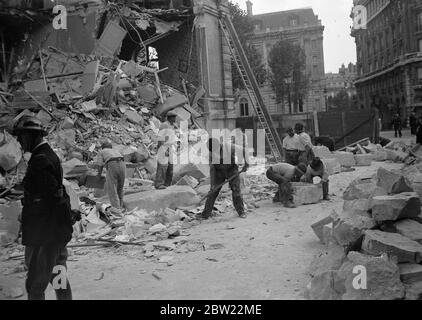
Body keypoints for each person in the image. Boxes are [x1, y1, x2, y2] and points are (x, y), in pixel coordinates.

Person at [12, 116, 73, 300]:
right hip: (56, 231)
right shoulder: (48, 155)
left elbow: (50, 198)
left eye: (21, 137)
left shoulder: (40, 160)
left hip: (46, 234)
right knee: (58, 274)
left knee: (35, 284)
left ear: (32, 136)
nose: (19, 142)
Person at [199, 137, 249, 220]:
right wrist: (212, 185)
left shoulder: (229, 146)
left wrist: (246, 164)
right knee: (213, 192)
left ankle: (241, 211)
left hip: (231, 169)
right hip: (219, 172)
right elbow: (212, 170)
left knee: (236, 190)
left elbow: (244, 150)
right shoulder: (211, 154)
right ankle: (205, 214)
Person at [96, 140, 125, 209]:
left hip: (112, 163)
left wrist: (99, 175)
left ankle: (116, 210)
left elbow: (100, 165)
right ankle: (120, 207)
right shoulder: (115, 151)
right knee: (120, 187)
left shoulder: (101, 152)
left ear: (103, 147)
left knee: (112, 188)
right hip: (123, 164)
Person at [155, 111, 178, 189]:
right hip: (164, 147)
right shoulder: (164, 125)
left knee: (170, 167)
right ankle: (159, 184)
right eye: (174, 117)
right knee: (162, 166)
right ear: (170, 118)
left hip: (170, 147)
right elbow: (160, 137)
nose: (175, 118)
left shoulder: (173, 126)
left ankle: (167, 183)